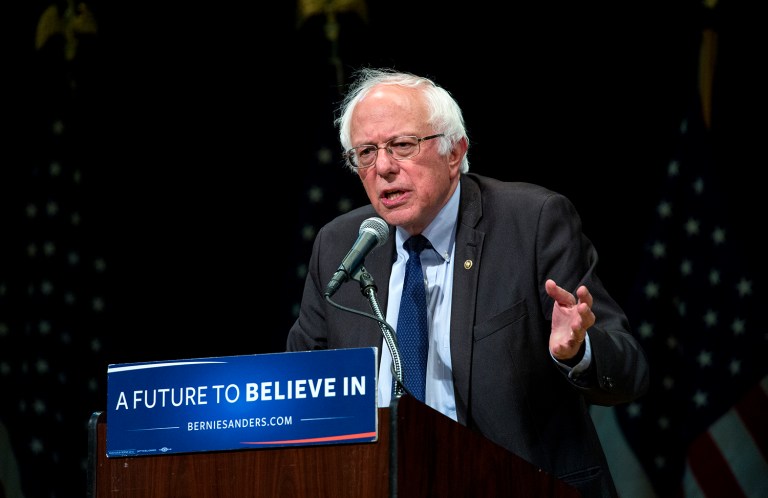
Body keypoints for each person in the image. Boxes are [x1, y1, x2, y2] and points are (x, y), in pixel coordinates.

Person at [286, 67, 650, 498]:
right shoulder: (341, 246)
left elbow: (631, 371)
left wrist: (579, 350)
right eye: (366, 152)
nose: (383, 167)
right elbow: (297, 388)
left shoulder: (531, 223)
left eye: (402, 145)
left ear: (454, 152)